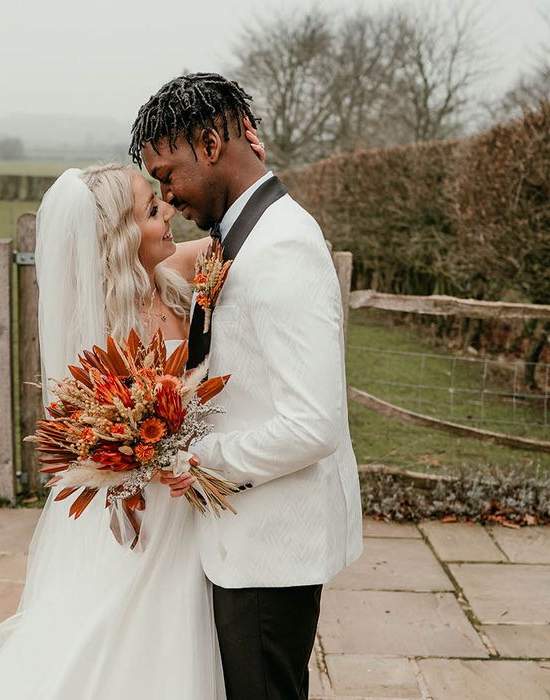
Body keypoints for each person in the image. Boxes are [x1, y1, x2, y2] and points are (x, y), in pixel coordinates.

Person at [0, 121, 265, 699]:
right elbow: (99, 430)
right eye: (152, 210)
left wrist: (254, 158)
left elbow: (230, 234)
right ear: (118, 235)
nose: (168, 214)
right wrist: (140, 452)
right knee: (127, 630)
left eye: (161, 201)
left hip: (187, 493)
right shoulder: (107, 328)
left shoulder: (170, 273)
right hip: (151, 502)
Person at [131, 72, 364, 700]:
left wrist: (200, 460)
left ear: (210, 145)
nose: (167, 192)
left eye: (167, 171)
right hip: (248, 535)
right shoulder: (244, 234)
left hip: (269, 545)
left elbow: (314, 424)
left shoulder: (279, 245)